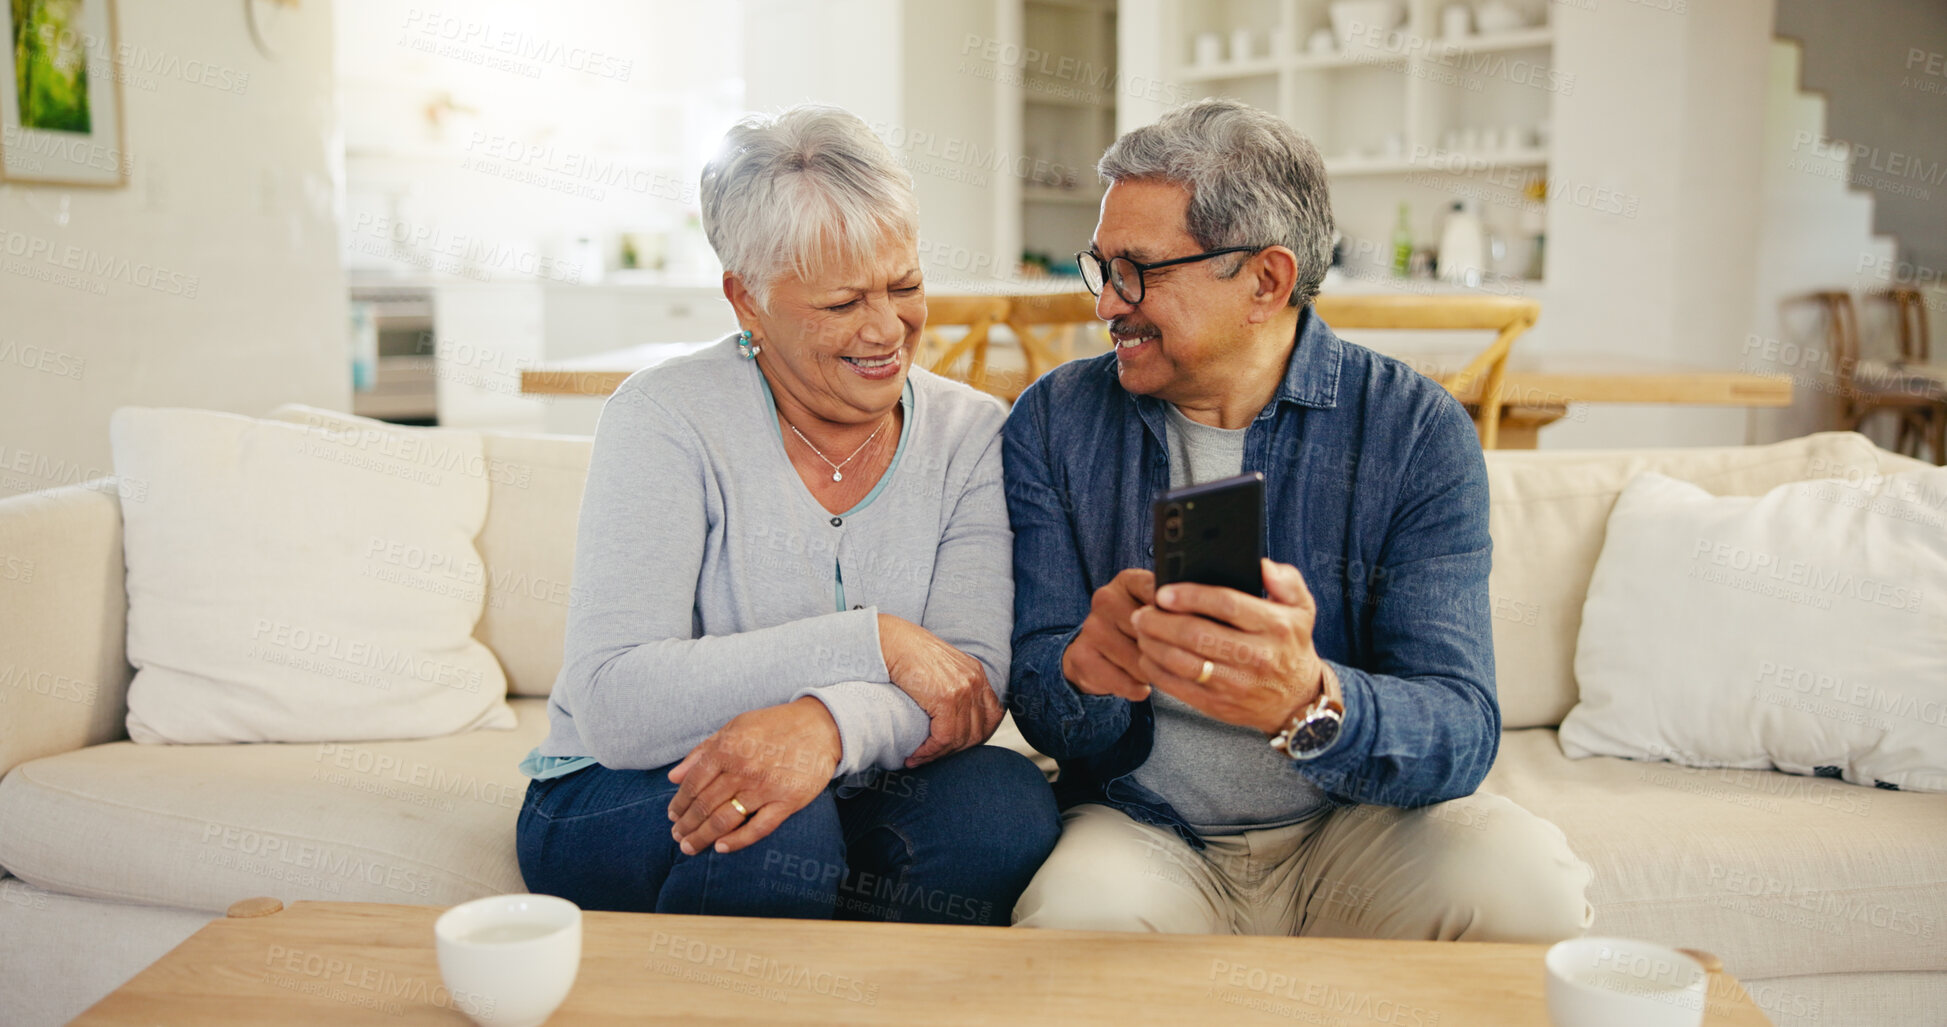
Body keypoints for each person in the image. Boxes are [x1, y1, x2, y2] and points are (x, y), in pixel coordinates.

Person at [1005, 98, 1594, 940]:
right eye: (1099, 267)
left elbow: (1460, 728)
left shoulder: (1412, 430)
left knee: (1523, 883)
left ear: (1265, 281)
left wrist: (1309, 701)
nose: (1105, 304)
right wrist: (1084, 673)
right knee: (1075, 920)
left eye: (1137, 270)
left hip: (1355, 824)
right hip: (1143, 823)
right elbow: (1035, 696)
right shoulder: (1053, 422)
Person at [516, 104, 1059, 925]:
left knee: (1000, 805)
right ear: (747, 299)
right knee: (775, 824)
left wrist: (824, 729)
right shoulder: (662, 418)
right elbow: (617, 702)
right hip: (626, 783)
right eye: (842, 303)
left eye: (905, 286)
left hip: (863, 774)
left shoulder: (971, 434)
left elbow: (969, 689)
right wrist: (874, 641)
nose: (887, 329)